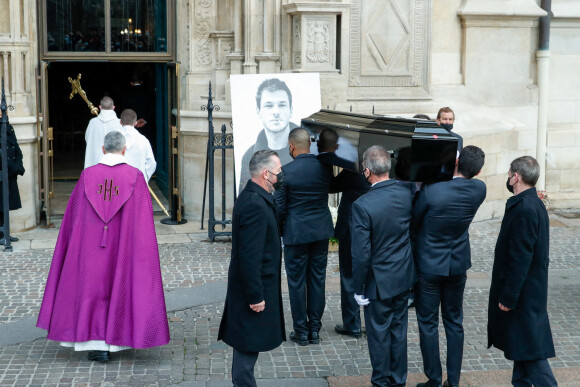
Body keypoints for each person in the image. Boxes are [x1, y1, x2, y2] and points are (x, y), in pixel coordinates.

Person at [37, 131, 169, 363]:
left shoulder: (87, 175)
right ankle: (114, 342)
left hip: (89, 247)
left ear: (103, 150)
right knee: (118, 285)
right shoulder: (136, 177)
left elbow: (74, 218)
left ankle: (94, 344)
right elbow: (141, 222)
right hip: (122, 246)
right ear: (124, 150)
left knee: (90, 288)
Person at [412, 146, 487, 387]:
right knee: (454, 323)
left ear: (456, 161)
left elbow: (415, 221)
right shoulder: (479, 189)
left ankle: (433, 378)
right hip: (457, 264)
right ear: (479, 171)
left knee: (428, 323)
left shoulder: (433, 190)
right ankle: (453, 381)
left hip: (429, 264)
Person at [487, 156, 557, 386]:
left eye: (509, 174)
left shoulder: (525, 208)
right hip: (528, 294)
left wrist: (508, 297)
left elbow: (520, 258)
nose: (508, 178)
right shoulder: (529, 203)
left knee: (533, 357)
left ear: (515, 176)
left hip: (524, 297)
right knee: (521, 352)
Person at [218, 150, 286, 386]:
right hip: (253, 289)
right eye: (278, 172)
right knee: (247, 347)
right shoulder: (254, 205)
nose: (280, 176)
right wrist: (255, 295)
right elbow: (249, 255)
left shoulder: (257, 197)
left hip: (255, 285)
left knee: (248, 345)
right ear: (266, 173)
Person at [351, 145, 415, 387]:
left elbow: (361, 253)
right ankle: (399, 380)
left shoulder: (363, 205)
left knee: (378, 334)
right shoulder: (407, 191)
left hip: (378, 281)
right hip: (403, 274)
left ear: (366, 171)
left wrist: (358, 287)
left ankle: (381, 381)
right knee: (398, 332)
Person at [275, 127, 334, 346]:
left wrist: (279, 232)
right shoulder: (325, 168)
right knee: (317, 279)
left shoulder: (286, 171)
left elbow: (280, 207)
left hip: (296, 232)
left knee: (297, 281)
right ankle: (315, 329)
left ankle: (301, 331)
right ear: (309, 145)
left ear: (291, 146)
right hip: (320, 231)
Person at [318, 129, 370, 339]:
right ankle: (373, 321)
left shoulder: (353, 172)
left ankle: (352, 324)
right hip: (373, 231)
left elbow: (330, 186)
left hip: (351, 229)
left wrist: (330, 162)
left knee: (349, 275)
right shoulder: (382, 171)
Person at [239, 78, 298, 191]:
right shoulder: (249, 156)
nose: (276, 112)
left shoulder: (308, 152)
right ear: (258, 111)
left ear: (291, 110)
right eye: (269, 105)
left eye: (281, 105)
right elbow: (246, 196)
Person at [0, 111, 24, 245]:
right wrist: (13, 167)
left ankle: (6, 232)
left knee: (6, 204)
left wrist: (18, 166)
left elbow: (16, 148)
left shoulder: (8, 126)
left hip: (10, 172)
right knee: (1, 204)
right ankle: (2, 233)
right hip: (4, 171)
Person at [119, 109, 156, 182]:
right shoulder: (143, 140)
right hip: (138, 183)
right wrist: (144, 178)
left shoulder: (112, 139)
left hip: (119, 184)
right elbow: (151, 163)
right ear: (136, 123)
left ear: (120, 122)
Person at [84, 96, 122, 168]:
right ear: (114, 108)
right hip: (114, 164)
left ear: (100, 107)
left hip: (95, 163)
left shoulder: (92, 123)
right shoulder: (120, 123)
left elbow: (87, 139)